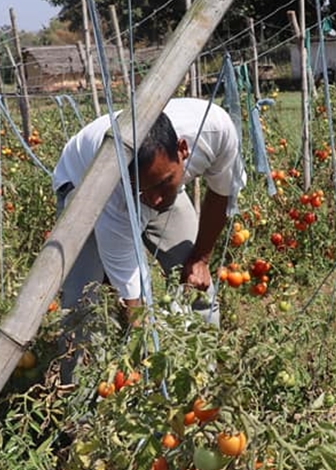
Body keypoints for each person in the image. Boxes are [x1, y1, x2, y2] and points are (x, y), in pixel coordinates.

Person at [50, 97, 244, 380]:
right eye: (145, 189)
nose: (154, 199)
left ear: (183, 150)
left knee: (199, 288)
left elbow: (222, 192)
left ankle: (203, 384)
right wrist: (145, 364)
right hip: (85, 188)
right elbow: (134, 296)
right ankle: (80, 410)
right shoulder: (115, 195)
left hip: (144, 182)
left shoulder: (214, 130)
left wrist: (201, 258)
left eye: (164, 182)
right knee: (82, 313)